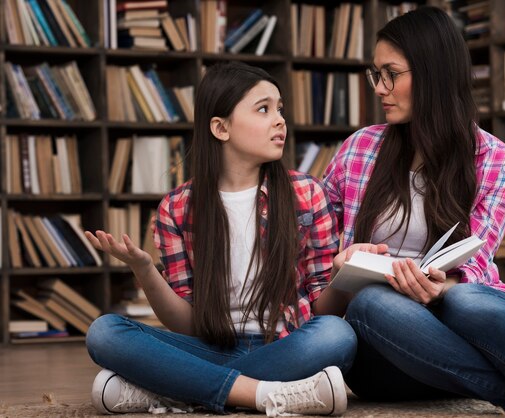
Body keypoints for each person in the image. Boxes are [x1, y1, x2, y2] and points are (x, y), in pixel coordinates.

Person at [323, 7, 505, 418]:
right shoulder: (358, 149)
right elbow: (316, 259)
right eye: (375, 74)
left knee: (466, 296)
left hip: (459, 328)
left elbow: (476, 266)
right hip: (384, 348)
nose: (380, 87)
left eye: (391, 73)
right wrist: (342, 266)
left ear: (433, 74)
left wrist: (434, 287)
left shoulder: (499, 163)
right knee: (371, 303)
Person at [84, 61, 376, 417]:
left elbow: (322, 310)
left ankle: (173, 392)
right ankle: (266, 394)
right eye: (263, 109)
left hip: (286, 345)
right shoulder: (176, 208)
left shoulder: (307, 194)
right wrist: (145, 271)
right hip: (209, 348)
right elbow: (185, 325)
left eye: (280, 109)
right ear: (221, 128)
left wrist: (348, 275)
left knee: (336, 335)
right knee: (104, 331)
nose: (280, 120)